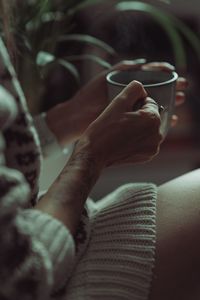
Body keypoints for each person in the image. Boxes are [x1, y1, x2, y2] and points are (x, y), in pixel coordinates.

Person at [1, 2, 199, 300]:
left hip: (57, 235)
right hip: (50, 273)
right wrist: (90, 157)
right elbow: (20, 272)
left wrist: (70, 117)